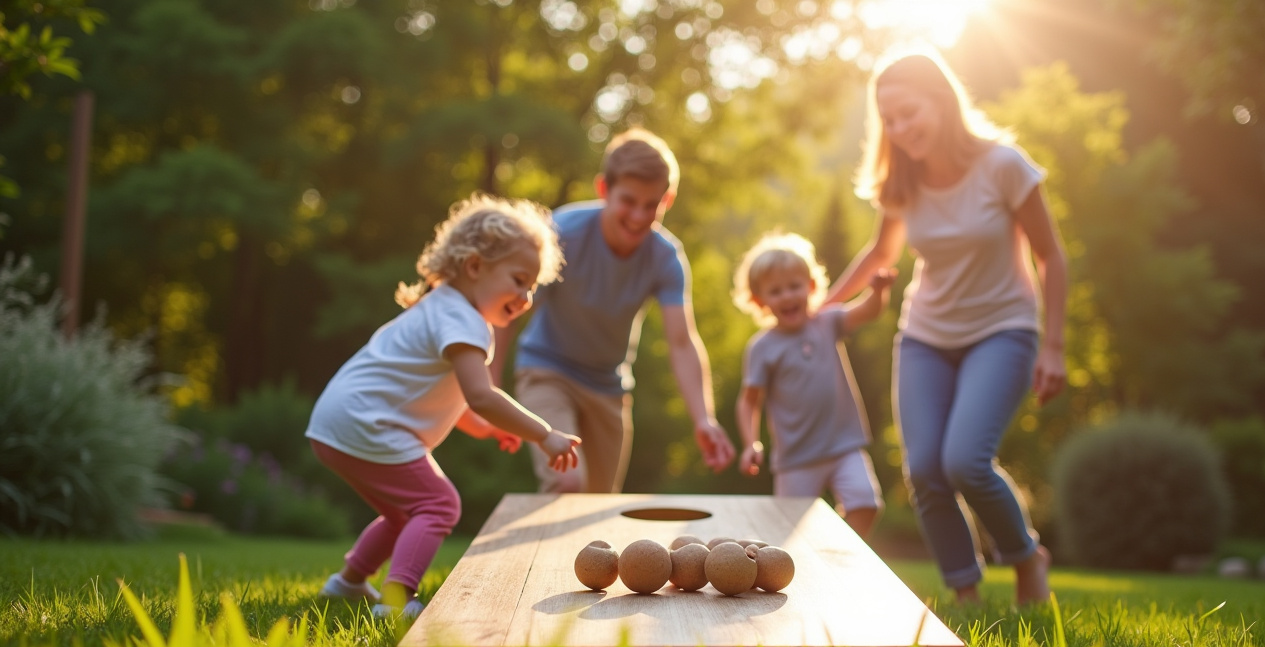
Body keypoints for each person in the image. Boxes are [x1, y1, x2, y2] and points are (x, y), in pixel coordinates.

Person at [826, 50, 1067, 605]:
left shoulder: (1005, 166)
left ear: (942, 100)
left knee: (964, 460)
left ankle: (1027, 557)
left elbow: (1051, 256)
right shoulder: (903, 182)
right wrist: (825, 307)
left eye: (910, 112)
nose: (900, 128)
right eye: (889, 119)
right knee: (925, 471)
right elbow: (879, 253)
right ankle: (966, 594)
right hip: (925, 336)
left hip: (1003, 329)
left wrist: (1053, 347)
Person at [307, 194, 581, 619]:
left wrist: (488, 429)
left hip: (337, 422)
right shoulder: (465, 320)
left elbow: (459, 403)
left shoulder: (441, 307)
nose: (526, 297)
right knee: (439, 504)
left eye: (532, 286)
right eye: (519, 279)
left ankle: (347, 583)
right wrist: (544, 433)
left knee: (404, 513)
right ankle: (396, 599)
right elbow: (482, 395)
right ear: (475, 267)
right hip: (368, 422)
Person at [492, 128, 736, 493]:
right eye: (629, 201)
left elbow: (682, 342)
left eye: (651, 204)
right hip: (547, 371)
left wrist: (704, 418)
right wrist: (490, 388)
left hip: (608, 386)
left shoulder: (665, 257)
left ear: (667, 200)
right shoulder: (561, 234)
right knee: (567, 480)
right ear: (604, 189)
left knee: (599, 504)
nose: (639, 215)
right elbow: (507, 309)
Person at [732, 232, 896, 539]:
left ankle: (839, 552)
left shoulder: (827, 322)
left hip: (844, 446)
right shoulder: (762, 347)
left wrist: (878, 292)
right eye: (776, 291)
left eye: (795, 286)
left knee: (866, 503)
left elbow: (867, 311)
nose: (788, 296)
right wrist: (750, 443)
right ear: (759, 300)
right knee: (787, 532)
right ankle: (804, 568)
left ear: (810, 286)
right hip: (796, 458)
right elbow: (749, 400)